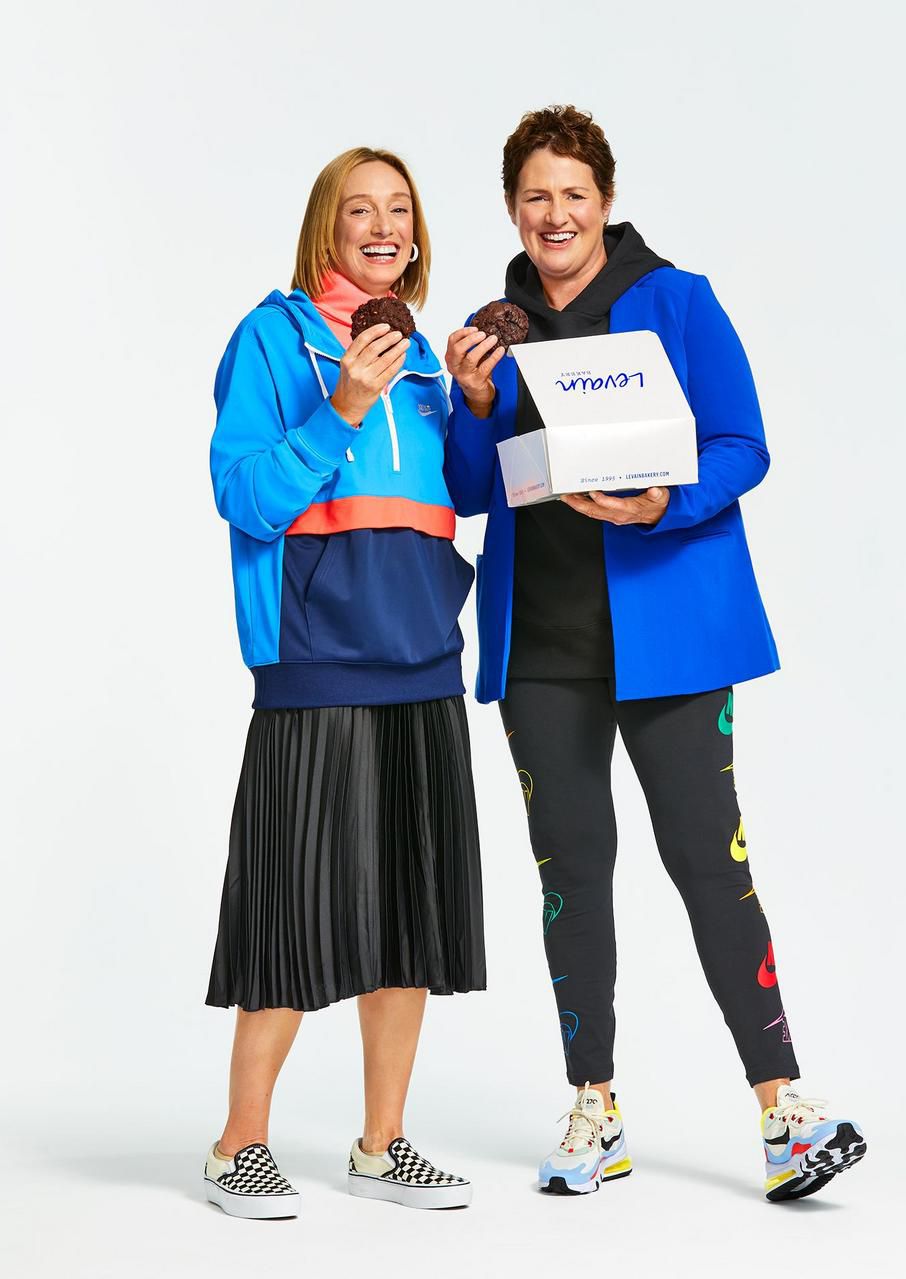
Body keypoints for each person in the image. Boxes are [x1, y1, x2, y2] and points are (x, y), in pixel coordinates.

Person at [444, 106, 866, 1200]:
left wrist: (661, 506)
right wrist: (475, 401)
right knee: (569, 875)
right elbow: (466, 490)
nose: (555, 214)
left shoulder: (678, 301)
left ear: (606, 201)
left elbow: (743, 443)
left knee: (708, 865)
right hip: (538, 644)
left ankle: (783, 1111)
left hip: (672, 638)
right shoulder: (493, 332)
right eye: (535, 195)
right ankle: (595, 1107)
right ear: (511, 208)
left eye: (573, 193)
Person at [203, 147, 483, 1218]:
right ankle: (239, 1144)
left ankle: (381, 1143)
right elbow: (246, 496)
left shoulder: (419, 356)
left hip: (422, 655)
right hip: (315, 656)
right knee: (294, 902)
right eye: (359, 209)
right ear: (326, 227)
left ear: (413, 236)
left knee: (410, 906)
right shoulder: (271, 338)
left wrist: (467, 401)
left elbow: (461, 497)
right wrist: (342, 406)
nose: (382, 225)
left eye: (399, 211)